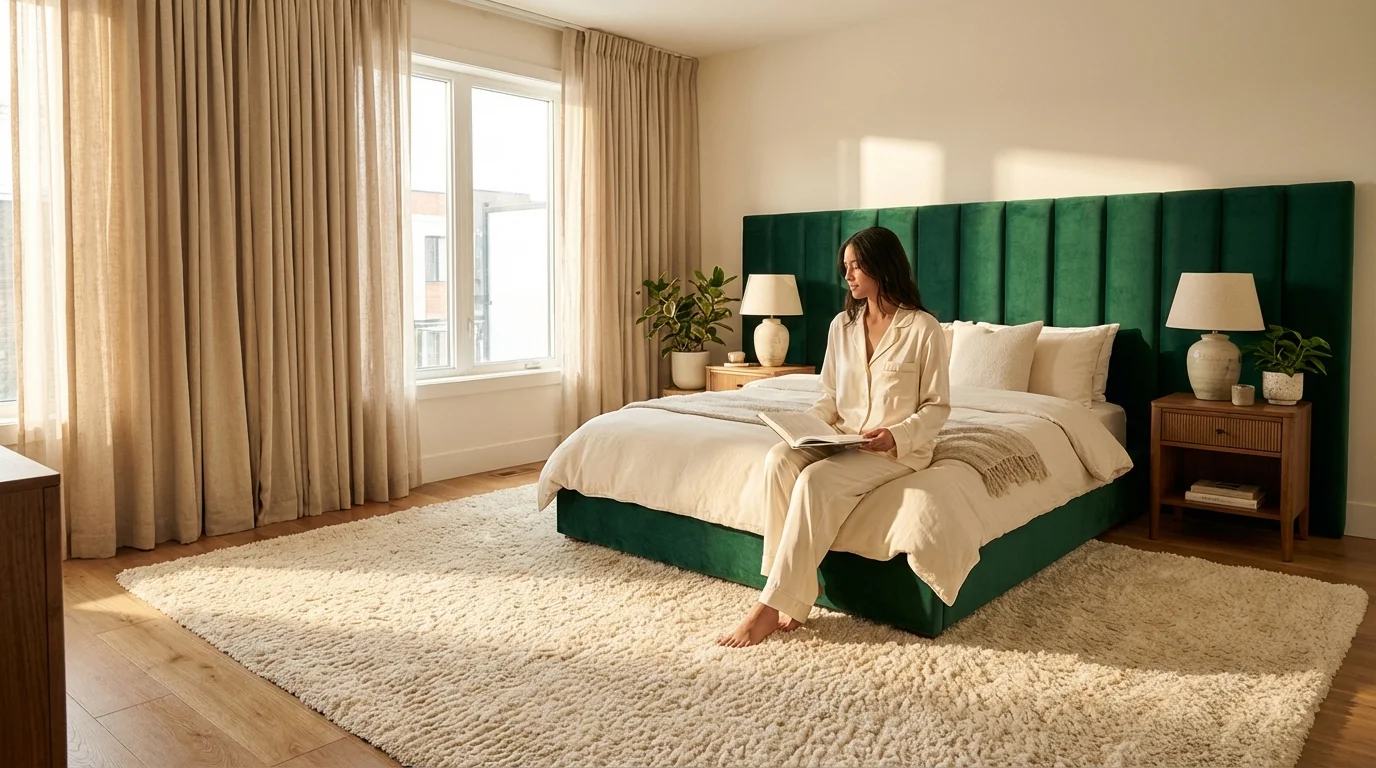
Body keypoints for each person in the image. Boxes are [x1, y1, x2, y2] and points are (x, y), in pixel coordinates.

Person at [718, 226, 951, 647]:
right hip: (843, 437)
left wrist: (895, 435)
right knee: (778, 459)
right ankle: (791, 586)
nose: (849, 275)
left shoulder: (923, 328)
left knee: (816, 480)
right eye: (845, 267)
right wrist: (806, 427)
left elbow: (937, 407)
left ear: (884, 265)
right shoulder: (842, 325)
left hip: (897, 450)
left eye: (857, 266)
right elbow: (828, 395)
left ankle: (769, 606)